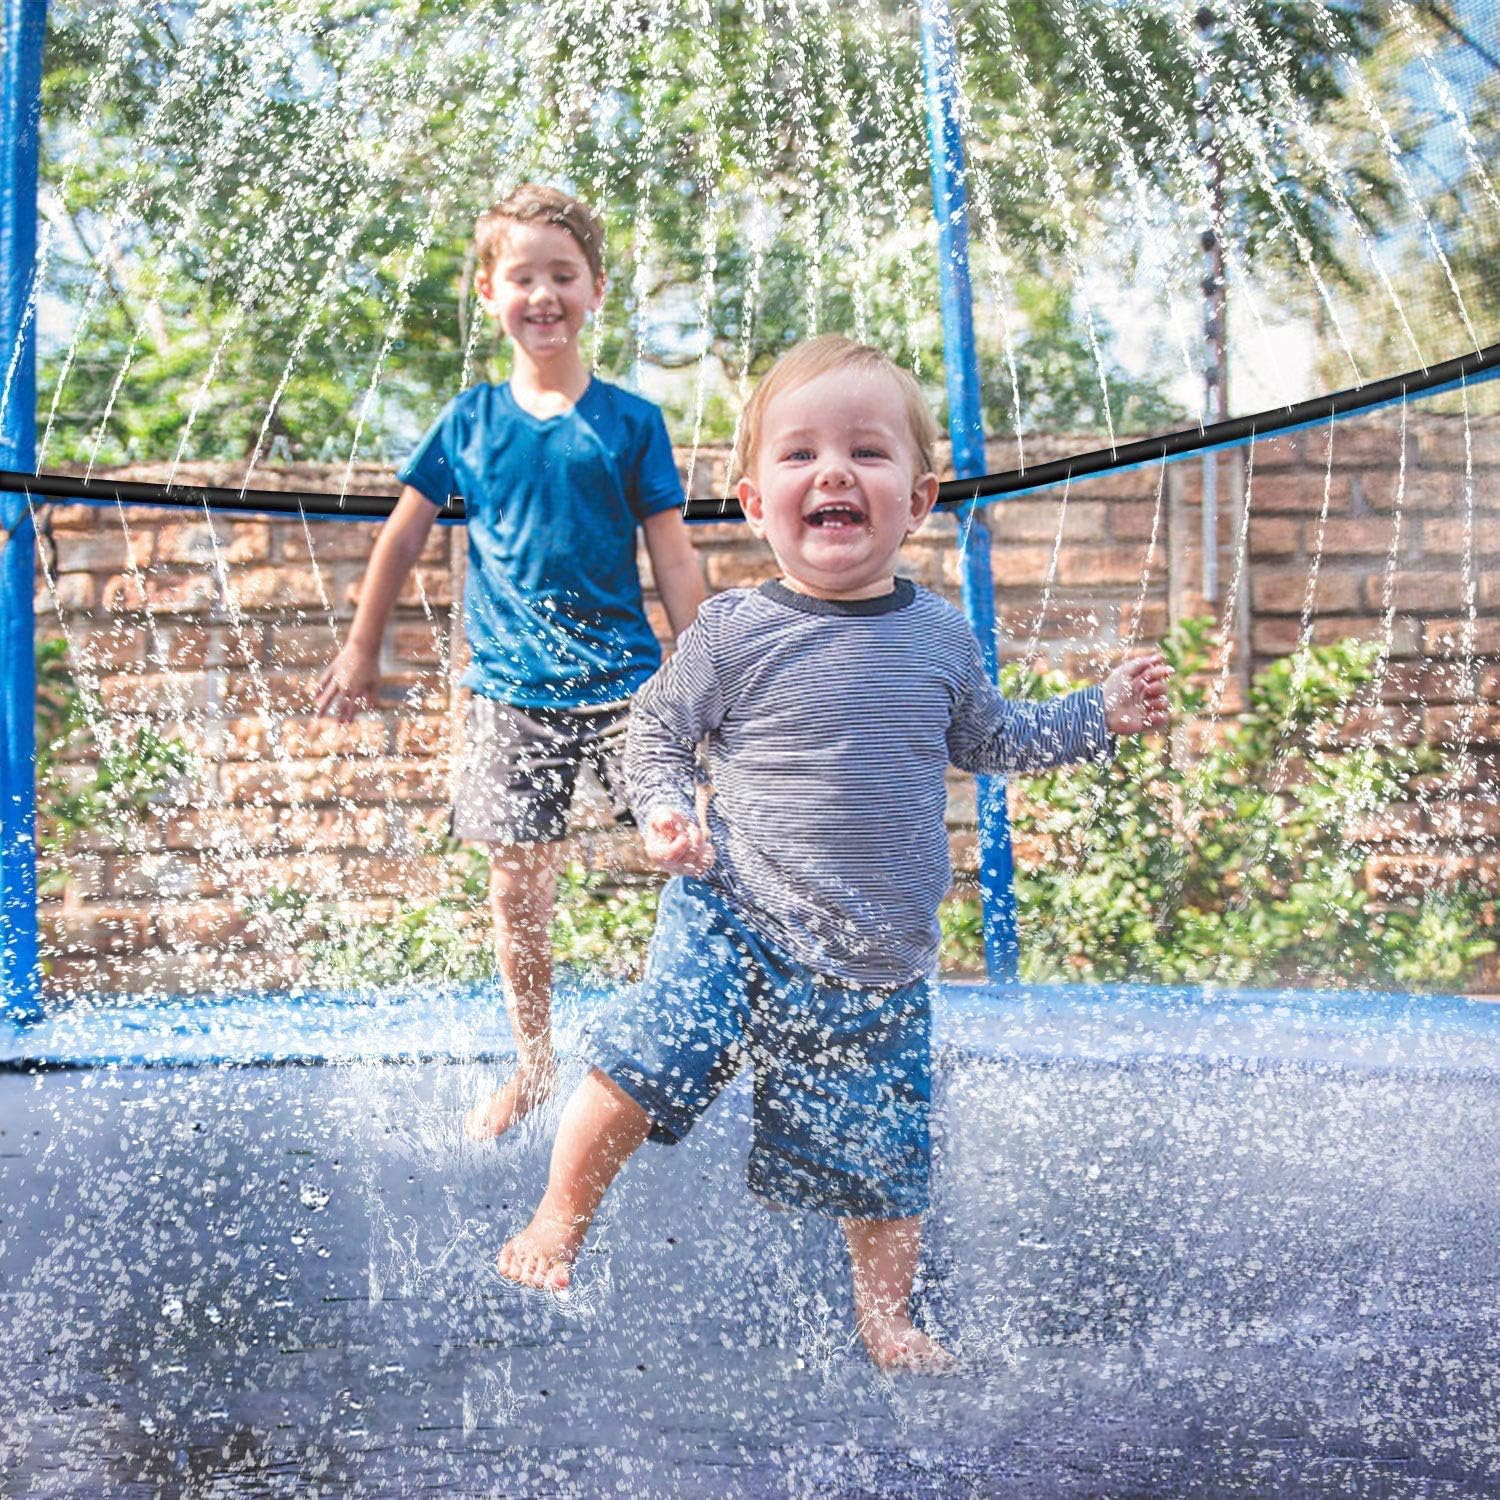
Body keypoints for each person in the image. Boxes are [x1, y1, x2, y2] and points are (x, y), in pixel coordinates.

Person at [496, 334, 1171, 1370]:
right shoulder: (732, 633)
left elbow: (992, 739)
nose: (835, 473)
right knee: (639, 1064)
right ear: (758, 504)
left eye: (867, 452)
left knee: (884, 1159)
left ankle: (887, 1317)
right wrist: (665, 809)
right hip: (735, 921)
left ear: (920, 498)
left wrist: (1096, 714)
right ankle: (558, 1220)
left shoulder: (942, 638)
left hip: (875, 963)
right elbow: (656, 731)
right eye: (801, 455)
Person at [316, 184, 707, 1141]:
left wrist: (709, 675)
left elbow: (672, 553)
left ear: (596, 290)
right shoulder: (470, 423)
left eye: (562, 276)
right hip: (508, 694)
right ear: (488, 289)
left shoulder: (631, 421)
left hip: (627, 687)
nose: (543, 294)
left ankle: (696, 1037)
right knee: (516, 888)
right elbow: (401, 543)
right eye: (522, 276)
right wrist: (362, 647)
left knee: (694, 854)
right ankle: (533, 1066)